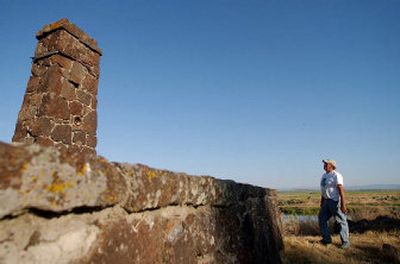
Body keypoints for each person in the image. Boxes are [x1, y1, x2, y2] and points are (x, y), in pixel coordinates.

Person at [318, 159, 350, 248]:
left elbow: (341, 189)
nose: (324, 165)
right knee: (322, 219)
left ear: (331, 165)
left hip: (334, 201)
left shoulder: (336, 175)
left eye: (326, 164)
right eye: (324, 163)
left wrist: (343, 204)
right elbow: (324, 189)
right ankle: (327, 240)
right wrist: (322, 201)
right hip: (326, 201)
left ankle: (345, 242)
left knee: (341, 220)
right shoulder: (324, 175)